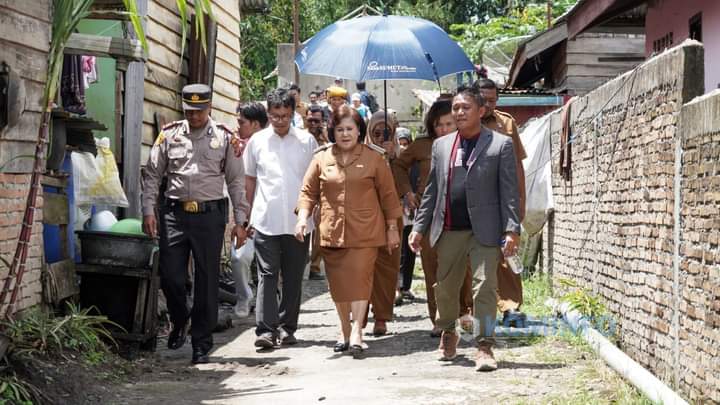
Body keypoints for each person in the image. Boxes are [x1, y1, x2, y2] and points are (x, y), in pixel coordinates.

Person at [409, 85, 521, 372]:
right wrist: (419, 227)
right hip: (449, 229)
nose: (458, 112)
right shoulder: (442, 145)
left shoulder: (500, 144)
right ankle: (448, 331)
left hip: (485, 230)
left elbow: (509, 192)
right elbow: (432, 191)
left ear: (481, 111)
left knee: (485, 286)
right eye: (455, 108)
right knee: (444, 288)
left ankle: (484, 346)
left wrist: (511, 229)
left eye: (465, 108)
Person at [141, 84, 250, 364]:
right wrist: (148, 211)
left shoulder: (226, 138)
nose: (195, 116)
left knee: (207, 280)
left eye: (200, 111)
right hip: (174, 214)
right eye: (190, 111)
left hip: (210, 215)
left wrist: (240, 221)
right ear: (183, 108)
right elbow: (153, 175)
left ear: (209, 107)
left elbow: (236, 182)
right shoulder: (169, 135)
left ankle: (202, 342)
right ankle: (180, 320)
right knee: (171, 277)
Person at [295, 104, 402, 357]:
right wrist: (302, 218)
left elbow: (388, 197)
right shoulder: (321, 158)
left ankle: (357, 330)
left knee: (361, 280)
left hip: (366, 232)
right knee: (339, 285)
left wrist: (391, 228)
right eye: (340, 129)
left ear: (358, 131)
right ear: (333, 131)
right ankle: (344, 329)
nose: (345, 134)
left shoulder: (374, 158)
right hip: (332, 232)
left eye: (350, 129)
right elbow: (307, 192)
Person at [243, 88, 318, 349]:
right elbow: (250, 179)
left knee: (294, 275)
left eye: (285, 116)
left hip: (299, 220)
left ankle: (287, 328)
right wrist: (247, 214)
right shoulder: (257, 142)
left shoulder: (307, 142)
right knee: (267, 273)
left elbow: (315, 179)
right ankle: (265, 330)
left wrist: (313, 214)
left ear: (292, 113)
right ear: (268, 114)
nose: (280, 121)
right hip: (266, 218)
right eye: (275, 116)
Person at [392, 99, 472, 337]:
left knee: (464, 267)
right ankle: (438, 319)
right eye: (438, 125)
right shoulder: (422, 145)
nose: (443, 129)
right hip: (429, 216)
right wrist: (407, 192)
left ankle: (465, 313)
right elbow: (398, 165)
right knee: (432, 267)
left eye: (448, 123)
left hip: (462, 214)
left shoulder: (469, 142)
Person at [475, 78, 528, 327]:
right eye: (483, 100)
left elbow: (518, 165)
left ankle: (510, 307)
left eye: (493, 100)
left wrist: (520, 201)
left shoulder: (505, 123)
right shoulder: (464, 123)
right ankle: (474, 309)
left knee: (507, 253)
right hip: (475, 199)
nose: (488, 105)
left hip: (503, 198)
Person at [364, 110, 402, 336]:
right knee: (362, 265)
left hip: (391, 216)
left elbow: (403, 184)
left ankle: (381, 317)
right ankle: (360, 311)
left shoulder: (401, 156)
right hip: (366, 215)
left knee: (387, 266)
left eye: (386, 132)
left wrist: (392, 159)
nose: (381, 137)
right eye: (376, 133)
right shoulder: (360, 153)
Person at [231, 102, 268, 318]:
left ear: (255, 124)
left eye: (241, 122)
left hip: (266, 213)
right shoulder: (235, 146)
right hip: (243, 213)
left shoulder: (271, 146)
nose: (237, 127)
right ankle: (244, 296)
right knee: (238, 257)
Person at [305, 105, 328, 281]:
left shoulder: (325, 141)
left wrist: (325, 139)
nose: (313, 124)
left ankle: (315, 265)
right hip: (303, 189)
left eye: (317, 121)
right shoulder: (299, 138)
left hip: (322, 190)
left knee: (320, 227)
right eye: (310, 120)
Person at [395, 127, 416, 305]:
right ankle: (397, 286)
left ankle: (406, 285)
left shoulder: (414, 162)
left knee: (409, 250)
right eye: (399, 144)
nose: (402, 147)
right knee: (398, 248)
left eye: (405, 144)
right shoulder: (392, 161)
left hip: (412, 212)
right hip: (396, 211)